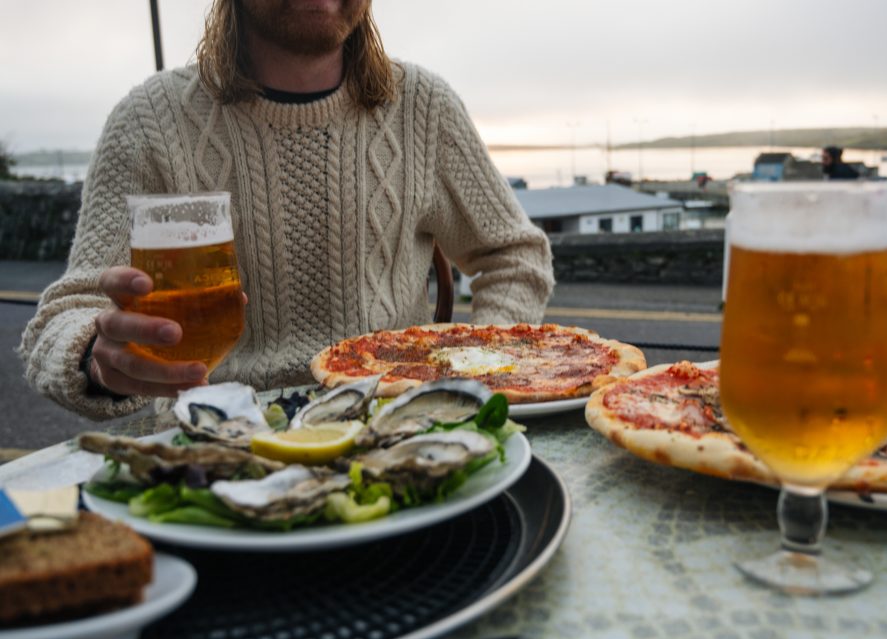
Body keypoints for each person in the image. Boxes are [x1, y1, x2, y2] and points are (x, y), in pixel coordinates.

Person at [19, 0, 554, 420]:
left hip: (399, 435)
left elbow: (516, 255)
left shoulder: (424, 107)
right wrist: (96, 356)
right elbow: (61, 319)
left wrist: (478, 375)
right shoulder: (148, 122)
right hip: (213, 453)